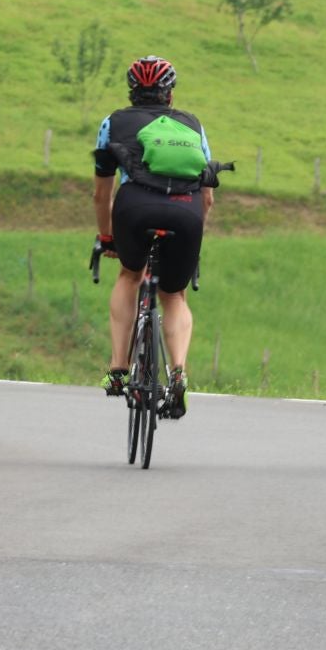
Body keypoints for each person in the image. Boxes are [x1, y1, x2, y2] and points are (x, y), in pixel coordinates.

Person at [93, 56, 214, 419]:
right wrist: (194, 238)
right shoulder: (192, 125)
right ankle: (178, 372)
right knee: (174, 295)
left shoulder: (113, 123)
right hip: (187, 212)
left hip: (134, 209)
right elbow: (207, 195)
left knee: (130, 275)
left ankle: (117, 368)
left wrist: (107, 236)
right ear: (170, 94)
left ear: (131, 91)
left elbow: (102, 194)